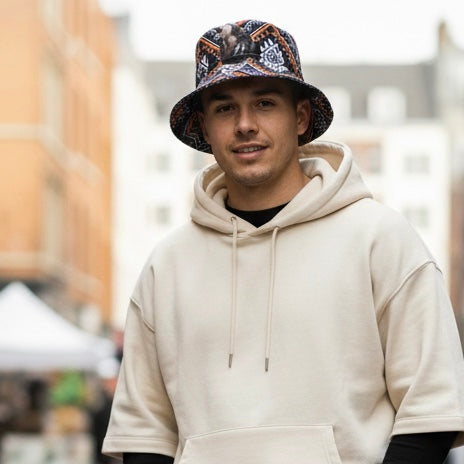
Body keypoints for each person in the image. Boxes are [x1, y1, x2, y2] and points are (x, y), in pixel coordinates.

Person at [103, 19, 464, 463]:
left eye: (265, 103)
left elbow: (432, 409)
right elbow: (144, 434)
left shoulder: (381, 240)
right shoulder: (167, 266)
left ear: (301, 117)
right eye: (224, 108)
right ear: (205, 128)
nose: (245, 124)